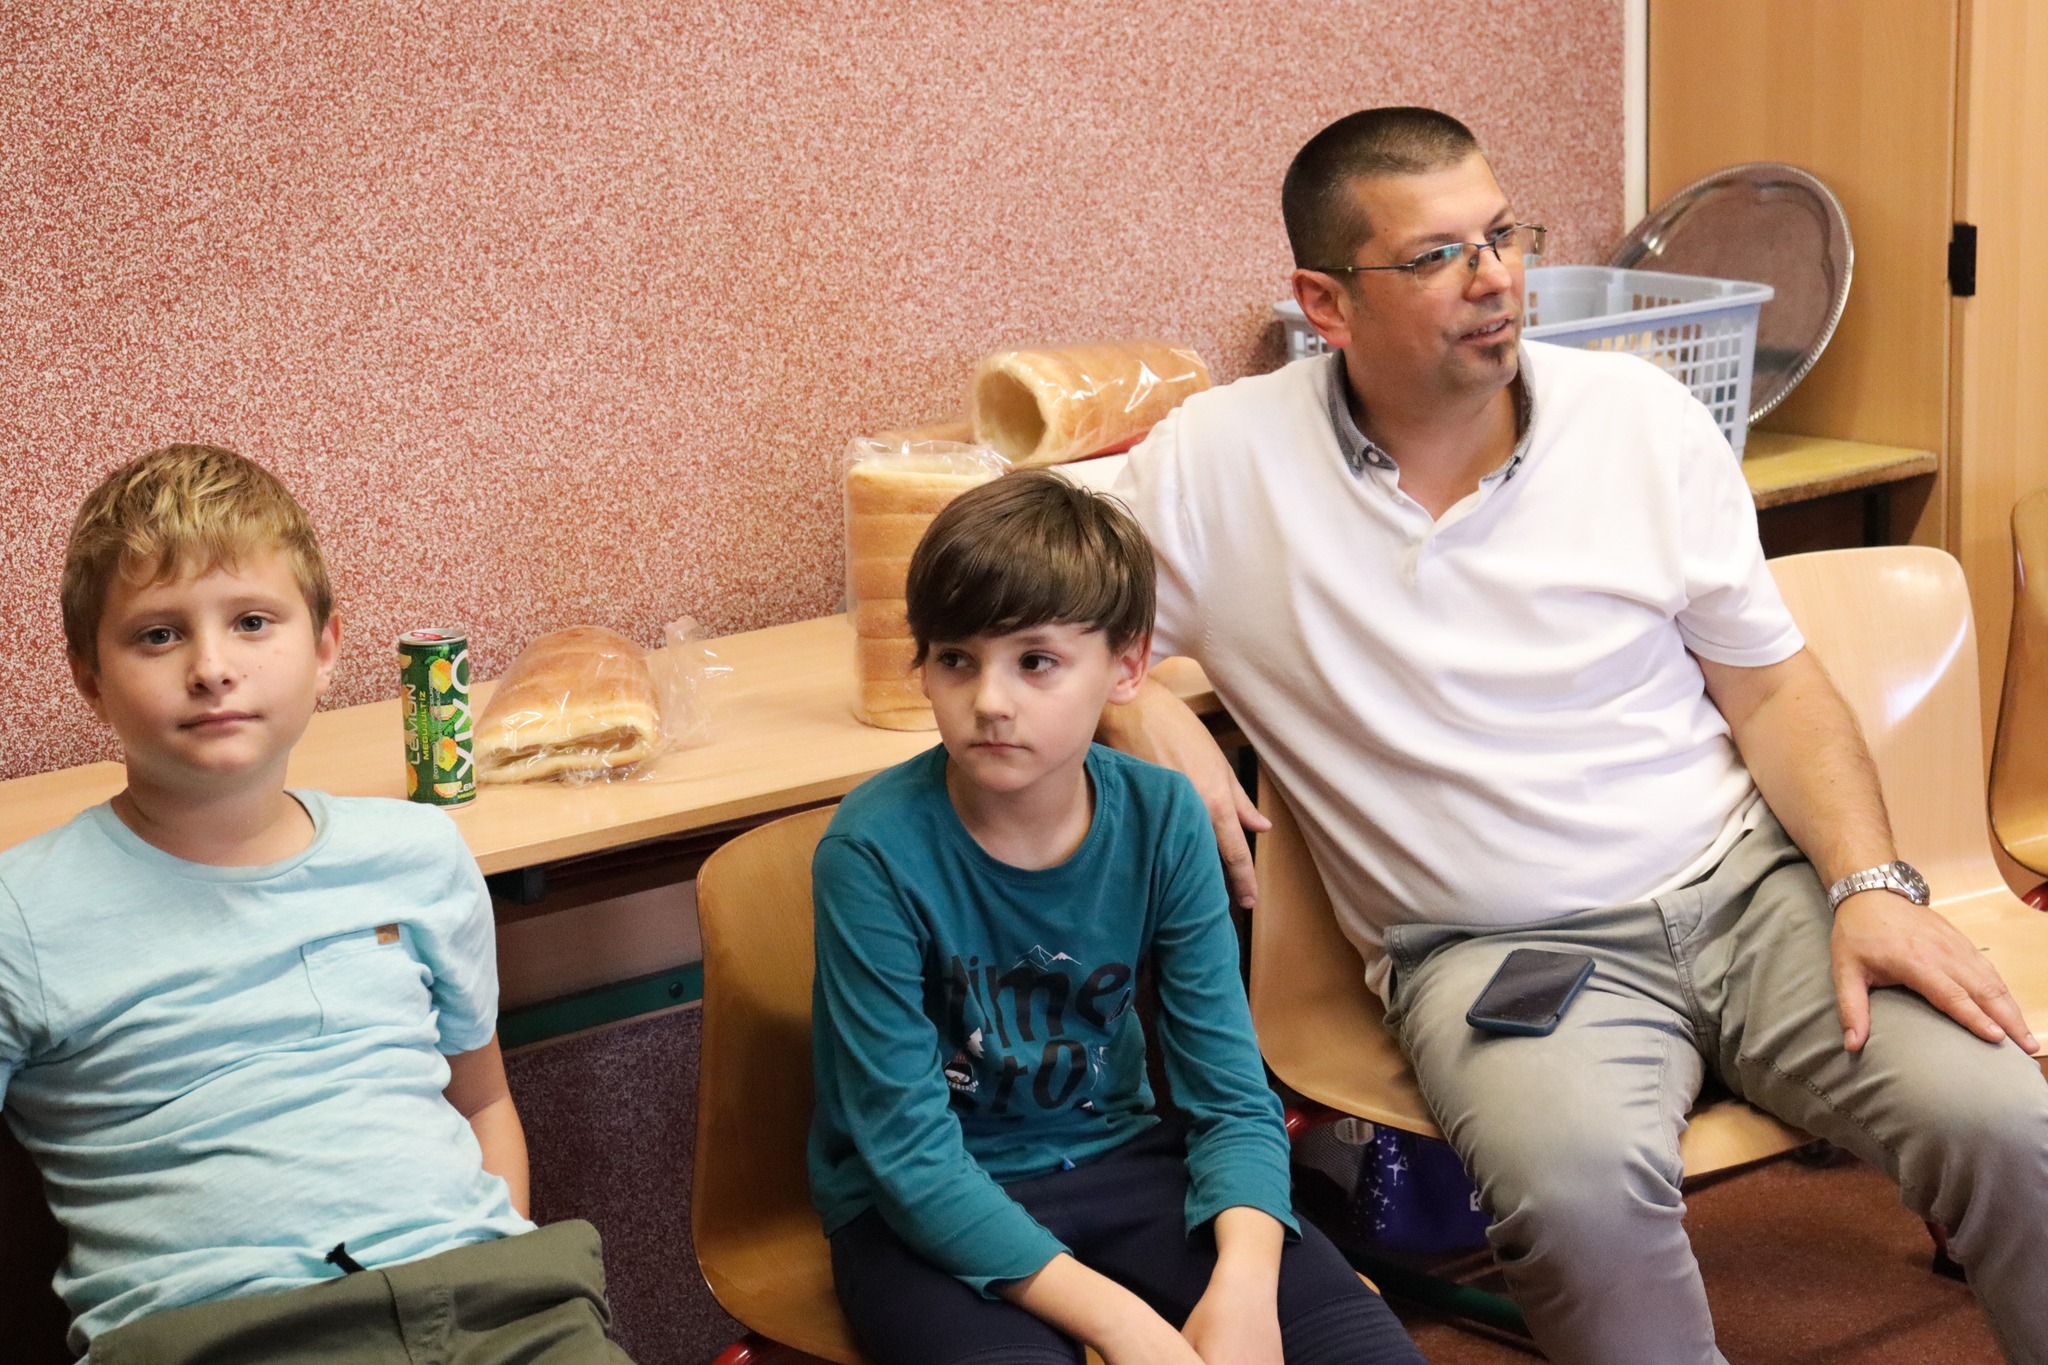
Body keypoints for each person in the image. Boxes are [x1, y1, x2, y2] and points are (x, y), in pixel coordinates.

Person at [1103, 107, 2048, 1365]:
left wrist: (1868, 885)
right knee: (1576, 1207)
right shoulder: (1217, 463)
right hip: (1497, 951)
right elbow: (986, 581)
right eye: (1436, 255)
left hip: (1748, 891)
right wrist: (1134, 699)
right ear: (1324, 304)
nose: (1493, 278)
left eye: (1503, 235)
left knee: (2004, 1119)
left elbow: (1772, 688)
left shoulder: (1638, 416)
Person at [0, 445, 634, 1364]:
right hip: (225, 1333)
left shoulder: (417, 854)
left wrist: (498, 1268)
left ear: (326, 648)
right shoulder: (23, 913)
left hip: (492, 1303)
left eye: (252, 621)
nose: (212, 667)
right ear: (89, 677)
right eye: (158, 635)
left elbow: (483, 1100)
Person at [807, 470, 1422, 1365]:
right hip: (920, 1206)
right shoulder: (871, 851)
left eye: (1036, 661)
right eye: (955, 659)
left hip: (1122, 1160)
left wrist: (1245, 1285)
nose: (990, 700)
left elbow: (1229, 1094)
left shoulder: (1165, 820)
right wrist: (1130, 1326)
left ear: (1127, 666)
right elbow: (908, 1156)